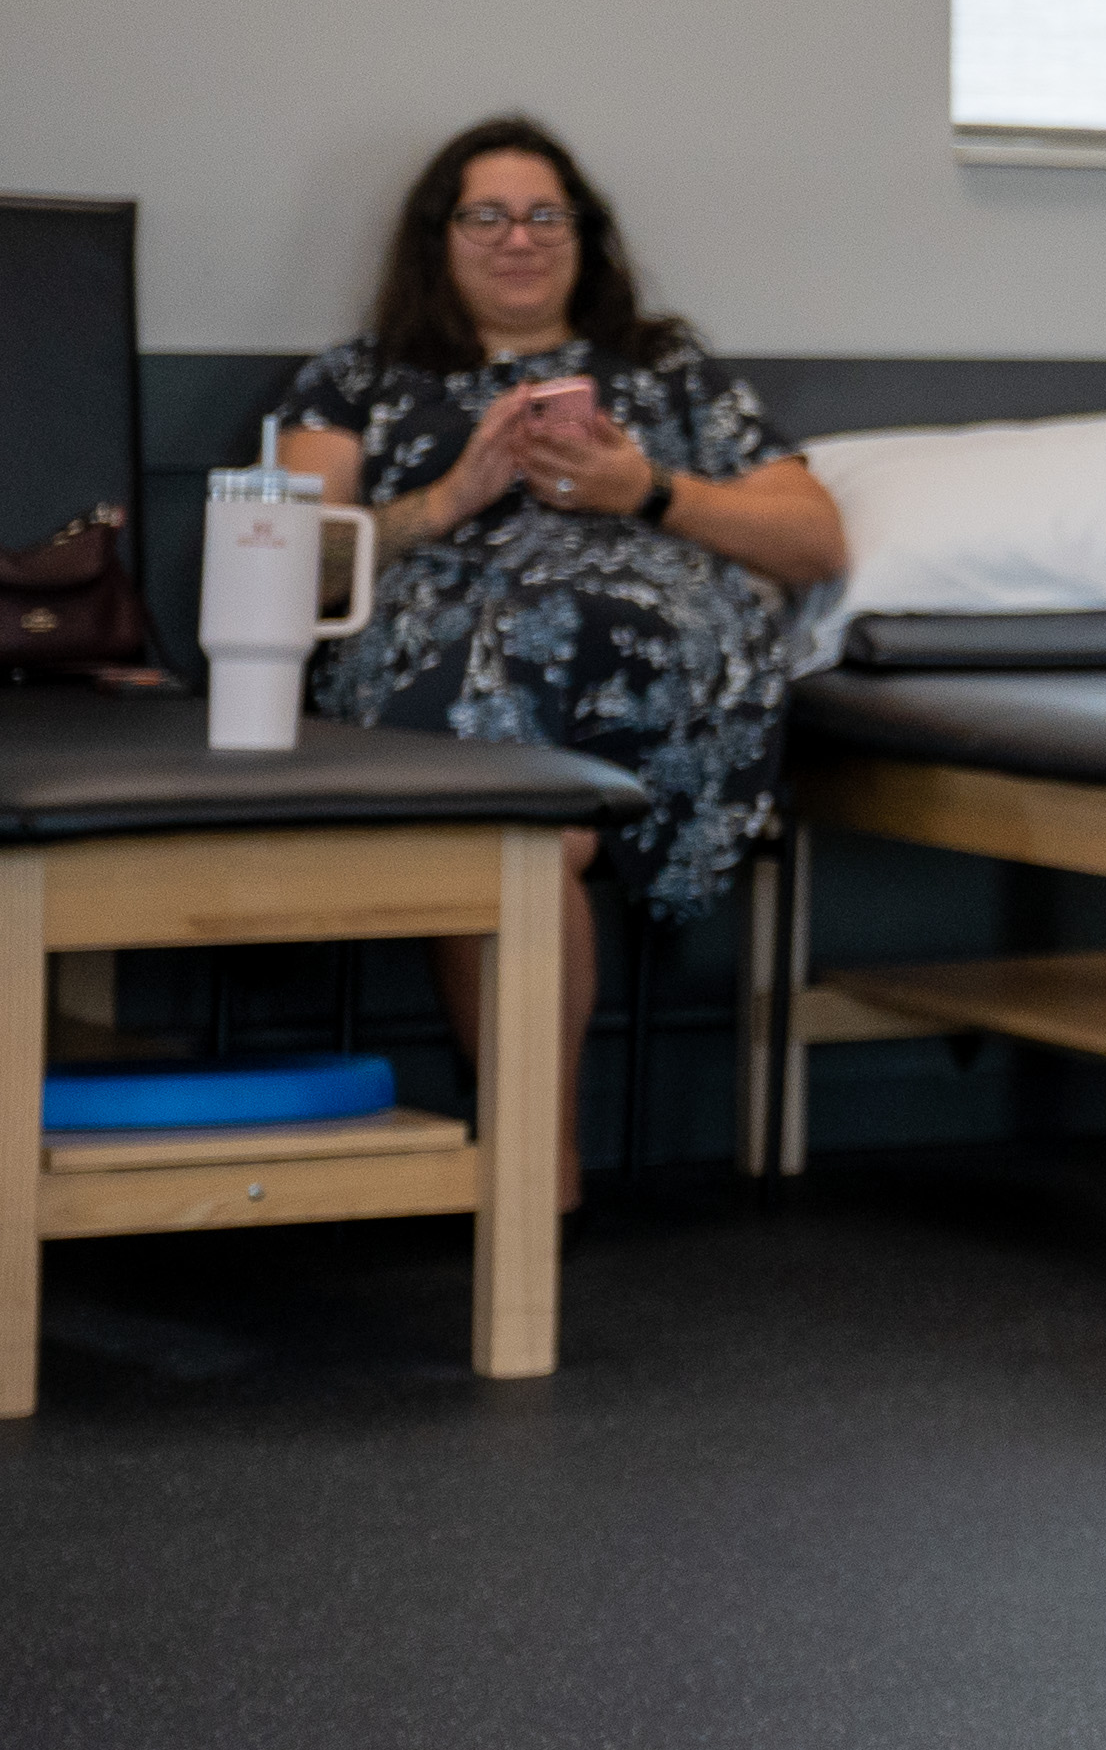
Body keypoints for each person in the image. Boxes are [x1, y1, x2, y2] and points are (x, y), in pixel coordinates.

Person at [272, 118, 846, 1205]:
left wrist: (651, 492)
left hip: (665, 668)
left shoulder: (663, 366)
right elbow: (292, 561)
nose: (518, 239)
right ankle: (544, 1163)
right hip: (451, 660)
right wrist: (452, 498)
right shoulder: (361, 379)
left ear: (585, 236)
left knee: (545, 788)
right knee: (521, 804)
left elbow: (816, 540)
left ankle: (534, 1155)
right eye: (485, 215)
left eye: (546, 215)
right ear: (437, 237)